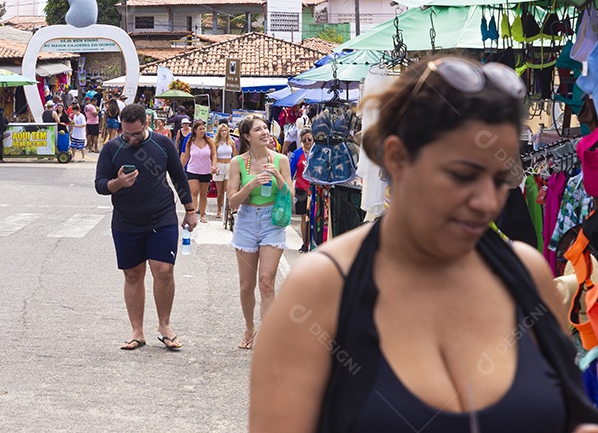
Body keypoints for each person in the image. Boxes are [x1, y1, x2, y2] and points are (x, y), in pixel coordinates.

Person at [249, 55, 598, 433]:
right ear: (397, 158)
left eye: (501, 180)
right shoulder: (323, 290)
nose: (487, 201)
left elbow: (572, 417)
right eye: (462, 174)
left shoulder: (526, 273)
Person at [95, 104, 196, 351]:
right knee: (132, 274)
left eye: (136, 134)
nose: (131, 139)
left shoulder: (163, 144)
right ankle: (137, 332)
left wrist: (190, 210)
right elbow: (100, 184)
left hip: (161, 216)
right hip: (126, 220)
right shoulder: (111, 148)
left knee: (164, 270)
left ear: (147, 124)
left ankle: (164, 326)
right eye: (126, 134)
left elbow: (178, 176)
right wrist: (118, 183)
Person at [228, 114, 293, 350]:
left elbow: (291, 196)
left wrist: (277, 177)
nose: (265, 132)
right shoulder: (237, 163)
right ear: (247, 136)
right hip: (246, 221)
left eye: (266, 128)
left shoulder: (281, 160)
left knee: (266, 282)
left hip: (272, 222)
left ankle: (269, 337)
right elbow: (232, 202)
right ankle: (249, 327)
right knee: (246, 286)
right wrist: (251, 185)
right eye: (258, 129)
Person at [180, 119, 216, 224]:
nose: (202, 131)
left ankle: (202, 215)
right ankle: (193, 213)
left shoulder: (209, 141)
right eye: (200, 129)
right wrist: (180, 168)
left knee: (203, 194)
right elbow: (186, 156)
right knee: (194, 192)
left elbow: (214, 154)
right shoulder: (190, 142)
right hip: (192, 170)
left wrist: (214, 165)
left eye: (203, 129)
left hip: (205, 170)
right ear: (195, 130)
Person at [289, 127, 313, 252]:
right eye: (304, 140)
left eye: (309, 139)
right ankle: (305, 243)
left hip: (315, 189)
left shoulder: (317, 152)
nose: (307, 142)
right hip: (301, 189)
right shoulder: (297, 153)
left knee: (315, 216)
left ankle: (315, 242)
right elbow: (290, 172)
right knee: (304, 216)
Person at [213, 122, 235, 220]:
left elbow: (235, 155)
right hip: (219, 165)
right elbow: (213, 156)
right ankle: (219, 209)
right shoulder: (216, 143)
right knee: (220, 191)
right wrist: (214, 167)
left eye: (226, 130)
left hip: (229, 165)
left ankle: (228, 210)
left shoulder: (231, 142)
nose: (224, 132)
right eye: (222, 131)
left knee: (227, 189)